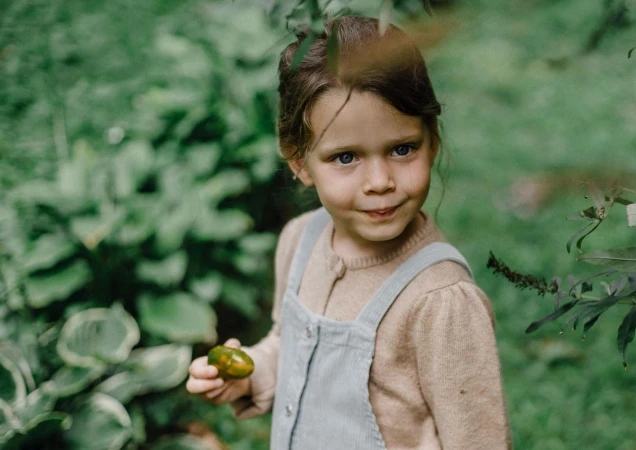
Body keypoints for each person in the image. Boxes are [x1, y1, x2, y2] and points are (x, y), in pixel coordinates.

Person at [185, 15, 511, 449]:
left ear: (432, 141)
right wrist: (252, 374)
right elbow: (292, 346)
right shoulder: (301, 241)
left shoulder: (440, 301)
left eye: (402, 149)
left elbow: (478, 441)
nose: (379, 180)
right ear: (299, 161)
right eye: (345, 158)